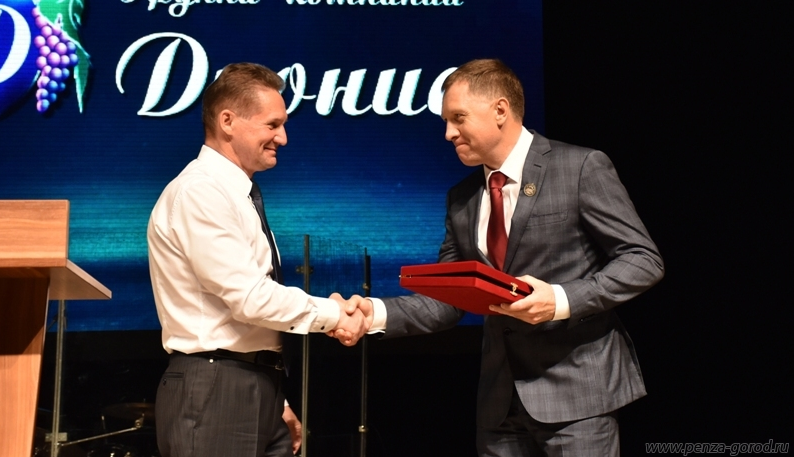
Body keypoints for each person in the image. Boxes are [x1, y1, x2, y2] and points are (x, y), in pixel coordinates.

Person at [335, 59, 664, 456]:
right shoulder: (462, 198)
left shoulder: (579, 167)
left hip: (578, 397)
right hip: (499, 406)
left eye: (458, 118)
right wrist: (373, 313)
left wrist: (560, 300)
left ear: (501, 110)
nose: (448, 133)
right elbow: (447, 300)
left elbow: (642, 259)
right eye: (445, 121)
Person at [148, 62, 366, 457]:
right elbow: (250, 298)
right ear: (227, 121)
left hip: (253, 385)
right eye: (272, 125)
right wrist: (335, 314)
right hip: (216, 388)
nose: (283, 137)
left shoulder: (236, 194)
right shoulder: (200, 192)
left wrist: (274, 399)